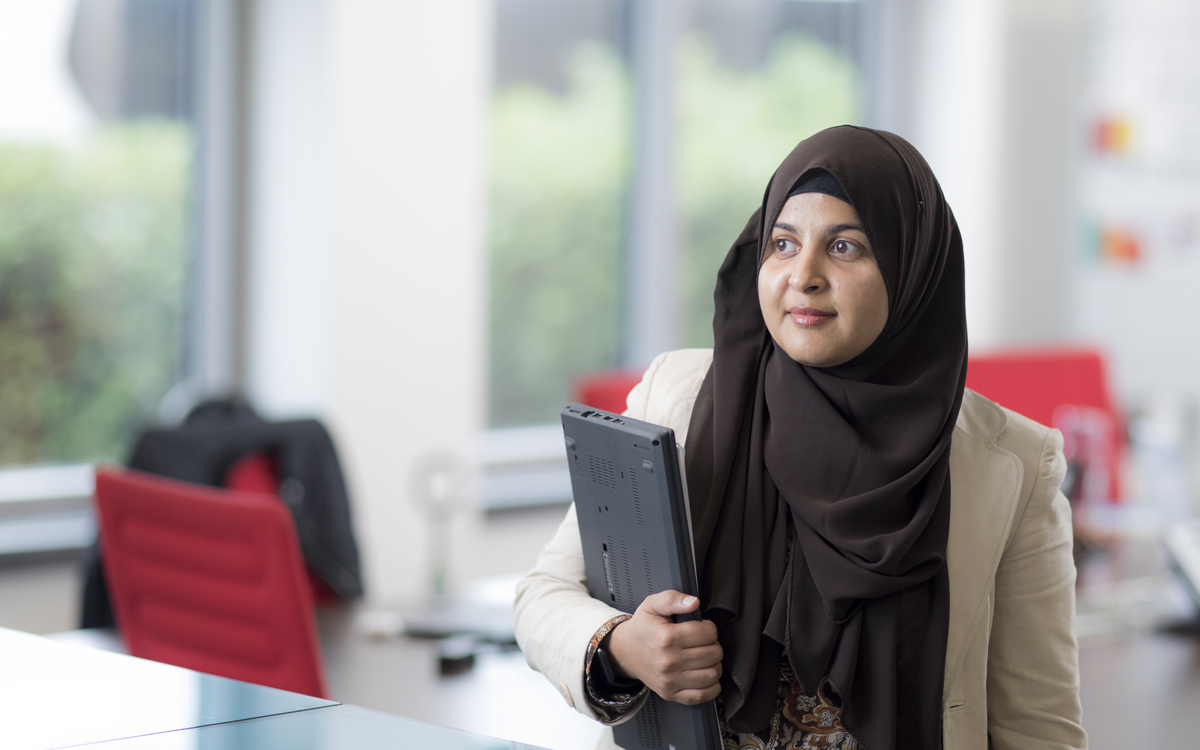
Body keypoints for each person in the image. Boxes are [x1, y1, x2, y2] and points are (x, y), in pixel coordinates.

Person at [513, 126, 1085, 750]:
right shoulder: (676, 398)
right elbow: (543, 595)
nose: (804, 275)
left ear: (912, 268)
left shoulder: (1014, 464)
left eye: (845, 246)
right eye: (783, 243)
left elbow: (1040, 729)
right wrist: (623, 646)